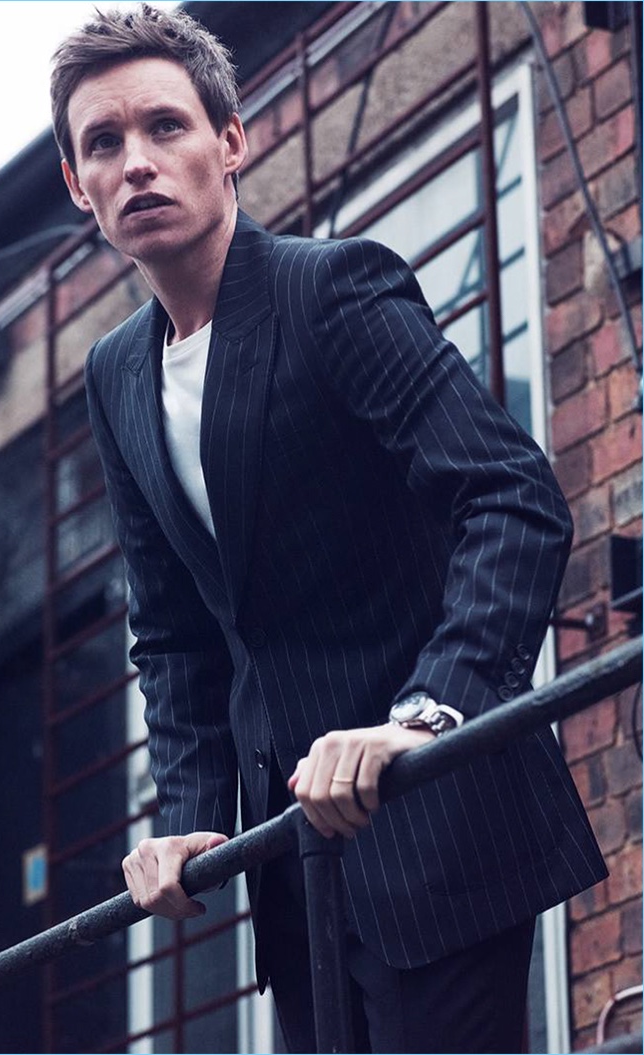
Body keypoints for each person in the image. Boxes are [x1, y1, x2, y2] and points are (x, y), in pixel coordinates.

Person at [51, 6, 607, 1052]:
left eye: (165, 128)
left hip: (434, 809)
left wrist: (424, 717)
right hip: (289, 852)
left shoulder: (329, 289)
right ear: (76, 185)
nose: (137, 163)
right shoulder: (115, 372)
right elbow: (172, 627)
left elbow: (509, 495)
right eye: (103, 143)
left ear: (228, 142)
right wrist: (185, 812)